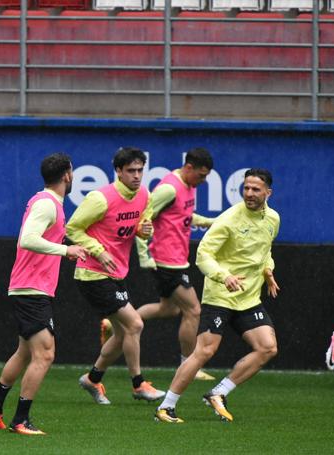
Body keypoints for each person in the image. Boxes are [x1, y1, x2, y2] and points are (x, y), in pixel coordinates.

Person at [154, 168, 280, 424]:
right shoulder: (230, 218)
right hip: (220, 295)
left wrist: (269, 271)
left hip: (248, 298)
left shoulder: (273, 219)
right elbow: (203, 255)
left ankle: (219, 392)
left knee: (267, 347)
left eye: (256, 189)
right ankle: (166, 407)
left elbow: (265, 250)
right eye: (246, 188)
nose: (249, 193)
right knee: (204, 352)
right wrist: (225, 276)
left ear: (268, 192)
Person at [0, 153, 87, 436]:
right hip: (31, 289)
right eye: (72, 172)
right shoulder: (47, 203)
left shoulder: (51, 203)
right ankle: (21, 420)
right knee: (46, 354)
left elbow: (43, 237)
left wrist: (68, 246)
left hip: (33, 288)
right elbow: (27, 239)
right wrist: (66, 250)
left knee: (25, 351)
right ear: (67, 175)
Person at [67, 146, 165, 406]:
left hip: (116, 271)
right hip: (92, 273)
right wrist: (99, 252)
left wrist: (145, 231)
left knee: (122, 334)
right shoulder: (101, 198)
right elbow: (72, 229)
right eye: (130, 170)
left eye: (140, 170)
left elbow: (143, 228)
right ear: (118, 172)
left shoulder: (144, 194)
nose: (136, 175)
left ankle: (92, 378)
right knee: (135, 324)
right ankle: (138, 385)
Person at [134, 147, 215, 381]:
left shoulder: (189, 186)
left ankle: (118, 322)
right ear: (189, 168)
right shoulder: (169, 188)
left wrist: (210, 222)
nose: (202, 181)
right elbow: (144, 218)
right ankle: (189, 365)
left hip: (178, 259)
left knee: (169, 309)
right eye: (201, 175)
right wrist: (144, 256)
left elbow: (184, 217)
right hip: (166, 261)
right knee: (194, 310)